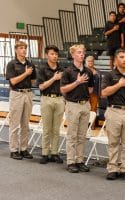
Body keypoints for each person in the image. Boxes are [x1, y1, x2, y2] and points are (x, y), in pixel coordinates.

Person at [101, 48, 125, 180]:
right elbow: (104, 93)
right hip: (114, 111)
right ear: (116, 60)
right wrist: (119, 84)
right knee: (113, 142)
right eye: (122, 57)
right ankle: (112, 168)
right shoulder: (109, 75)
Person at [60, 44, 94, 173]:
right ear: (73, 55)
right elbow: (63, 89)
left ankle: (79, 161)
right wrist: (77, 82)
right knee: (72, 135)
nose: (82, 54)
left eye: (83, 52)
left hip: (85, 104)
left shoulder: (88, 71)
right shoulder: (68, 71)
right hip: (72, 104)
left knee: (82, 135)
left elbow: (90, 89)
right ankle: (71, 161)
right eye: (79, 52)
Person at [5, 41, 36, 160]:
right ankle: (13, 149)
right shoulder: (12, 64)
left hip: (28, 93)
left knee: (25, 124)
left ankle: (23, 149)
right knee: (15, 123)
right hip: (16, 94)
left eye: (25, 48)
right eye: (21, 48)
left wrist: (27, 76)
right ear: (16, 50)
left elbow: (33, 81)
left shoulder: (30, 64)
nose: (24, 50)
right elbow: (12, 82)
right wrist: (25, 73)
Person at [37, 45, 64, 164]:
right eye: (52, 54)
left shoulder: (62, 68)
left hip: (59, 99)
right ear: (47, 55)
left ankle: (54, 153)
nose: (55, 56)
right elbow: (41, 86)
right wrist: (54, 78)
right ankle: (45, 153)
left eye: (56, 54)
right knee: (47, 128)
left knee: (56, 129)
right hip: (46, 98)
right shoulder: (42, 68)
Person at [86, 56, 100, 130]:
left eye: (91, 61)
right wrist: (92, 74)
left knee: (94, 109)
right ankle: (85, 125)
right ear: (86, 62)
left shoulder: (97, 71)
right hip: (85, 93)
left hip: (95, 93)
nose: (90, 62)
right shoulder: (84, 70)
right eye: (89, 61)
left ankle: (92, 125)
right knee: (86, 109)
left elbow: (99, 82)